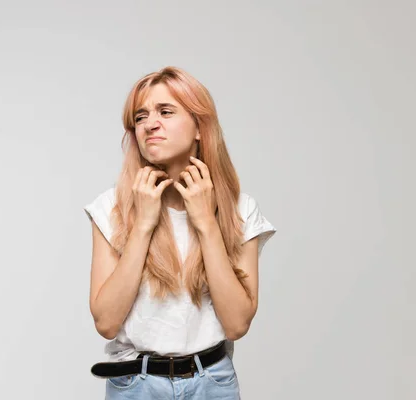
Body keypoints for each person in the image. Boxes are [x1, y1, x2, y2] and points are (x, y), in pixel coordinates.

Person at [83, 66, 276, 399]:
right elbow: (107, 323)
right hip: (136, 386)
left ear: (199, 127)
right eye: (140, 116)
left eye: (166, 111)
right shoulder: (111, 208)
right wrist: (143, 225)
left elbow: (236, 324)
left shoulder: (240, 211)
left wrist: (205, 222)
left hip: (213, 383)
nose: (150, 124)